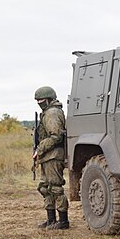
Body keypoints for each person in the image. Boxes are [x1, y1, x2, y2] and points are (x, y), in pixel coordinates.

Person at [33, 86, 69, 230]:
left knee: (55, 187)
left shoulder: (52, 113)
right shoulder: (47, 112)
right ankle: (51, 219)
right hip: (47, 156)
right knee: (44, 188)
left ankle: (63, 221)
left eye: (41, 100)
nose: (39, 102)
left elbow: (56, 136)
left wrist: (40, 149)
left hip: (53, 156)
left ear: (48, 99)